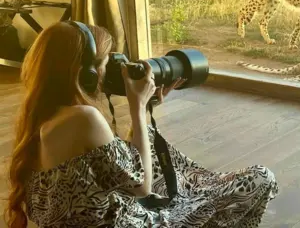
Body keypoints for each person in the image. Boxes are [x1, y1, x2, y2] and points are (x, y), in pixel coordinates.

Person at [4, 21, 278, 227]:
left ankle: (195, 192)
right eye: (103, 63)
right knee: (260, 177)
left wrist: (144, 110)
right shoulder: (83, 118)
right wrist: (136, 107)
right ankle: (197, 197)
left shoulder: (39, 117)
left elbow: (120, 169)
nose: (105, 72)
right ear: (85, 74)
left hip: (108, 212)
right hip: (133, 221)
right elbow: (141, 188)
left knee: (147, 138)